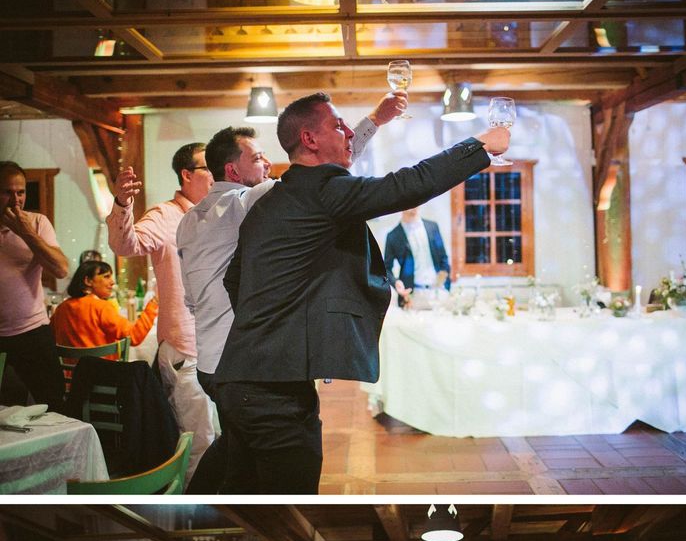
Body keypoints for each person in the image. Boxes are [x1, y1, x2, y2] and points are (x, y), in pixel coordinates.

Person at [215, 93, 511, 493]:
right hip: (274, 389)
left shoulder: (275, 200)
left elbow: (234, 282)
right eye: (338, 125)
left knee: (243, 500)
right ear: (310, 139)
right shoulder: (323, 189)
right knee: (290, 502)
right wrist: (478, 145)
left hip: (239, 377)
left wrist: (278, 326)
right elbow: (407, 185)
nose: (349, 131)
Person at [178, 100, 399, 492]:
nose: (267, 165)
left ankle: (202, 505)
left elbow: (192, 299)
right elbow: (314, 179)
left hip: (210, 358)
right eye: (258, 158)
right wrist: (372, 123)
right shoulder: (245, 204)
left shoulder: (189, 221)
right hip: (248, 360)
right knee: (276, 468)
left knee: (237, 456)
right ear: (233, 170)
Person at [107, 143, 216, 479]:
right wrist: (122, 203)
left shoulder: (221, 212)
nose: (216, 174)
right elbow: (126, 245)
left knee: (219, 438)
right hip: (187, 345)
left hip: (220, 346)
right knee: (199, 440)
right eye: (207, 167)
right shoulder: (164, 215)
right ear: (186, 174)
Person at [0, 160, 69, 409]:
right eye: (7, 192)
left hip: (32, 330)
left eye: (21, 192)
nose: (16, 199)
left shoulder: (37, 223)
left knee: (54, 405)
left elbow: (60, 269)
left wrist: (25, 232)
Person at [50, 259, 158, 349]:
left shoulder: (61, 308)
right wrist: (154, 304)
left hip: (71, 374)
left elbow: (51, 338)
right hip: (103, 372)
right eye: (106, 277)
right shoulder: (101, 307)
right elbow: (134, 337)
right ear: (88, 281)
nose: (112, 282)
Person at [385, 204, 451, 304]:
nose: (413, 206)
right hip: (412, 294)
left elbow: (443, 257)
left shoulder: (432, 227)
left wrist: (444, 277)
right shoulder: (393, 236)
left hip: (438, 292)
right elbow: (386, 268)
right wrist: (395, 283)